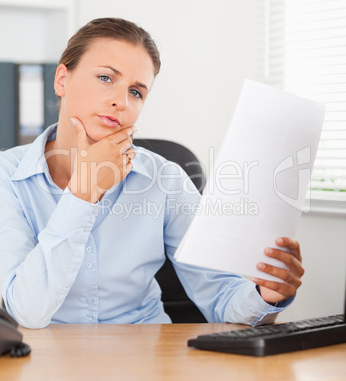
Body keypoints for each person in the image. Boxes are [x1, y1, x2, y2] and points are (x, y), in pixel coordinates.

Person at [0, 18, 304, 329]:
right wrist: (84, 191)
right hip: (47, 361)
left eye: (136, 92)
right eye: (106, 78)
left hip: (148, 354)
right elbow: (28, 311)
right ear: (62, 79)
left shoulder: (166, 179)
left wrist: (266, 294)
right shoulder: (6, 177)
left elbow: (221, 295)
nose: (120, 101)